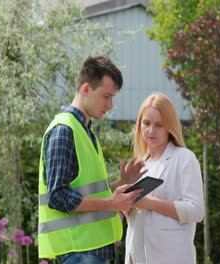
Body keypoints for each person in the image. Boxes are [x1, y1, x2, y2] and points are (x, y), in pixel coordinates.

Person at [38, 55, 144, 264]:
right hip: (78, 251)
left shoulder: (84, 132)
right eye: (106, 96)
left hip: (88, 251)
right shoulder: (64, 131)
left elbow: (82, 191)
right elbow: (58, 196)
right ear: (86, 89)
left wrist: (120, 184)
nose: (110, 105)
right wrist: (111, 203)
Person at [124, 93, 204, 264]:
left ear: (170, 126)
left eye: (159, 125)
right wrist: (125, 202)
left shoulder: (184, 158)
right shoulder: (140, 163)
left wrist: (150, 202)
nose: (151, 131)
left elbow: (196, 211)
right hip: (137, 257)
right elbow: (133, 216)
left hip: (170, 257)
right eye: (146, 124)